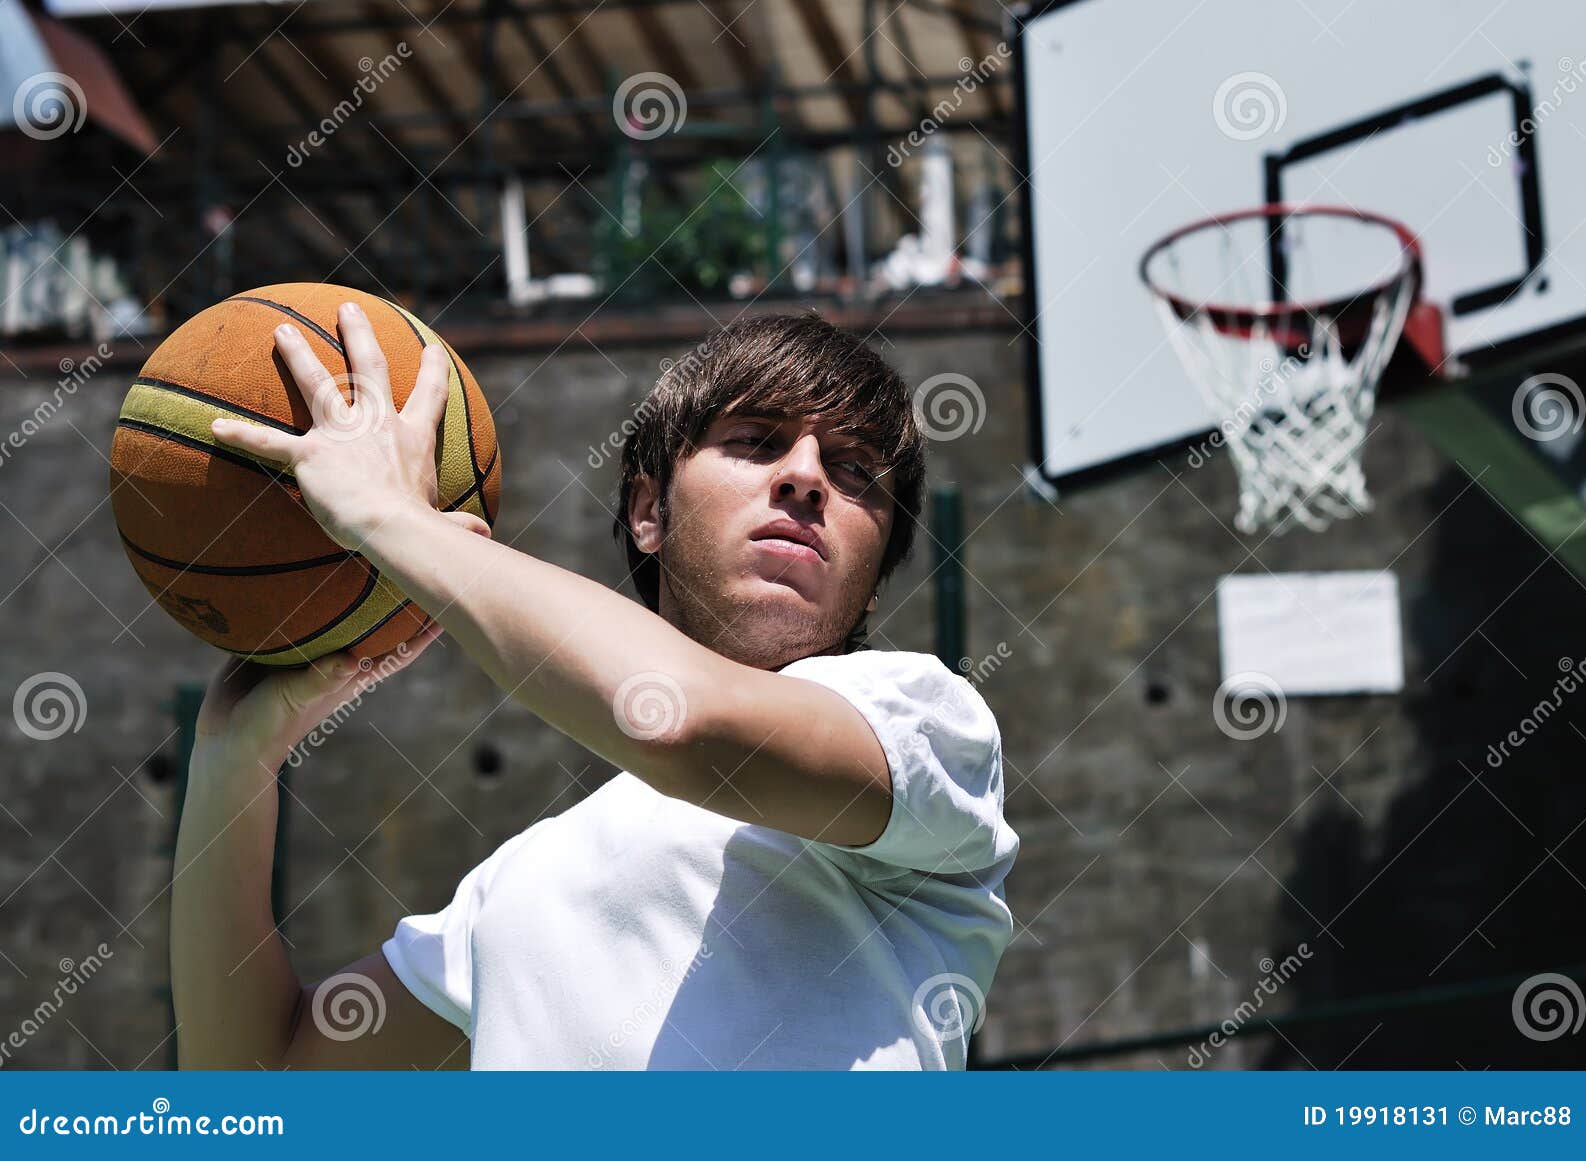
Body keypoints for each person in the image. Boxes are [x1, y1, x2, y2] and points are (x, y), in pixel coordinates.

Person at [173, 308, 1018, 1070]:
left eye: (856, 469)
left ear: (873, 583)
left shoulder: (923, 723)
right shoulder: (514, 888)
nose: (806, 477)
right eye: (756, 440)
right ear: (649, 513)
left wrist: (391, 517)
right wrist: (232, 763)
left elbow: (681, 722)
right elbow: (255, 1075)